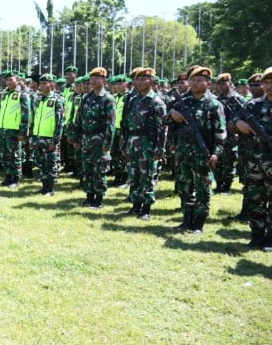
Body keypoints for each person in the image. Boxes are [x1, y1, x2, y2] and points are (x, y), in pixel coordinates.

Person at [168, 66, 227, 234]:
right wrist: (172, 114)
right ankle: (187, 219)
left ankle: (198, 223)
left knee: (203, 189)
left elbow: (221, 132)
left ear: (208, 83)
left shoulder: (214, 104)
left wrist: (216, 153)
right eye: (192, 80)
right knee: (184, 186)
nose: (194, 83)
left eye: (199, 80)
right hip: (183, 151)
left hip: (203, 153)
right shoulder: (183, 101)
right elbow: (168, 123)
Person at [121, 68, 167, 220]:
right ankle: (135, 205)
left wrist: (160, 148)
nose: (139, 82)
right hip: (132, 141)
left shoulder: (156, 102)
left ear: (152, 81)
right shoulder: (133, 100)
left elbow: (162, 128)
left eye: (143, 79)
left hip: (148, 143)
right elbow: (126, 123)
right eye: (137, 79)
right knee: (133, 175)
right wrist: (124, 142)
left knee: (147, 177)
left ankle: (146, 209)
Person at [236, 66, 272, 249]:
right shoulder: (253, 105)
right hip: (254, 160)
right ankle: (257, 234)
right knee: (255, 198)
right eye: (266, 82)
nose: (269, 86)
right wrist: (238, 124)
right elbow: (233, 122)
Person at [72, 67, 116, 208]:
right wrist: (76, 137)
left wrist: (106, 144)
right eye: (91, 79)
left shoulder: (108, 99)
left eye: (96, 79)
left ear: (103, 81)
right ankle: (89, 196)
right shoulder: (86, 98)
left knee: (99, 170)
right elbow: (79, 119)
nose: (93, 81)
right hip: (86, 139)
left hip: (100, 139)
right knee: (87, 169)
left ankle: (99, 199)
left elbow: (111, 123)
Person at [31, 74, 65, 195]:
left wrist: (55, 141)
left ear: (52, 84)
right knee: (41, 162)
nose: (42, 86)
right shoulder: (38, 99)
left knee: (51, 163)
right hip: (39, 135)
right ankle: (44, 187)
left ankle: (50, 189)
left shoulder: (57, 100)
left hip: (50, 138)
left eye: (45, 83)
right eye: (41, 83)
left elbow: (60, 122)